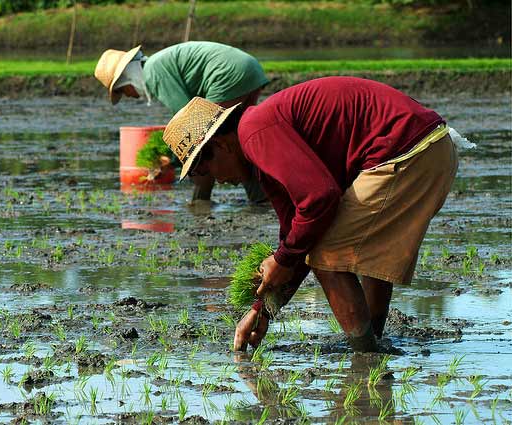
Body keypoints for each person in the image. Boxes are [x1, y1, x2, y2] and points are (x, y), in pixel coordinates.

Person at [161, 76, 460, 352]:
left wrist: (283, 259)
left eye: (203, 169)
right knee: (356, 253)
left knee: (327, 254)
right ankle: (374, 342)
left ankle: (366, 354)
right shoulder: (261, 141)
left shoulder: (255, 133)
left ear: (221, 145)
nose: (214, 180)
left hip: (407, 151)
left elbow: (320, 199)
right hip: (430, 146)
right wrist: (262, 309)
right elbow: (297, 234)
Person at [94, 41, 269, 203]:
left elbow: (191, 123)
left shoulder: (154, 72)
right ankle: (261, 199)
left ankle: (201, 204)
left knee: (204, 148)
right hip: (248, 69)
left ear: (126, 80)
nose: (129, 96)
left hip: (227, 76)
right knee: (238, 141)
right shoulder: (157, 65)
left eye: (123, 91)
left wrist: (170, 160)